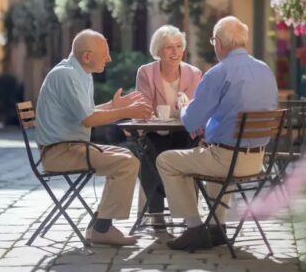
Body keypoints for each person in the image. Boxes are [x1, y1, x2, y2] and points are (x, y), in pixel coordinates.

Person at [156, 16, 278, 251]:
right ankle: (216, 227)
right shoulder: (265, 70)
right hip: (257, 161)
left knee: (166, 160)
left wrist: (184, 107)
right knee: (217, 149)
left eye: (213, 40)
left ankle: (194, 228)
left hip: (227, 160)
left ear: (219, 43)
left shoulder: (218, 73)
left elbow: (192, 121)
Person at [36, 29, 152, 246]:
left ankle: (101, 225)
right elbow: (89, 119)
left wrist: (114, 105)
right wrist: (126, 112)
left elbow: (84, 112)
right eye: (105, 53)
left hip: (69, 148)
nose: (109, 58)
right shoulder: (68, 75)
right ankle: (102, 228)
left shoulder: (78, 72)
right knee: (126, 163)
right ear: (87, 56)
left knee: (126, 156)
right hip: (60, 153)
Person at [134, 25, 202, 223]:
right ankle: (156, 213)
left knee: (184, 154)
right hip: (155, 131)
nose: (175, 52)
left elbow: (198, 110)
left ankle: (188, 213)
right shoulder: (146, 72)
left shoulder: (194, 73)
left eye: (179, 46)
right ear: (158, 50)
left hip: (185, 132)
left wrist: (186, 108)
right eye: (169, 47)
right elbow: (143, 107)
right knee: (150, 154)